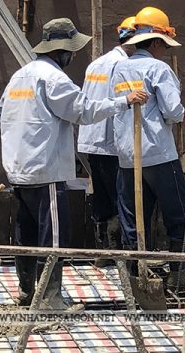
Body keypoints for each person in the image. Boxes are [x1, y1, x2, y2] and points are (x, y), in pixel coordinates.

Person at [0, 18, 148, 310]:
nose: (73, 56)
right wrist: (124, 101)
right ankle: (50, 300)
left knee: (25, 235)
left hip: (18, 170)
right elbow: (83, 111)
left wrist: (20, 141)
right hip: (46, 171)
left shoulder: (20, 76)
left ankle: (27, 293)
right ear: (61, 51)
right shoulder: (54, 79)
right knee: (53, 237)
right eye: (72, 51)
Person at [111, 6, 185, 289]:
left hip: (128, 154)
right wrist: (179, 113)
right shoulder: (159, 69)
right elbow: (173, 110)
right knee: (179, 214)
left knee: (134, 218)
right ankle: (180, 275)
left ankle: (135, 274)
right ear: (157, 42)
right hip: (159, 152)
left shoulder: (120, 68)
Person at [77, 16, 137, 265]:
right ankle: (121, 252)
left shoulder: (97, 64)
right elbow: (126, 103)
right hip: (112, 141)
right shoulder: (124, 66)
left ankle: (104, 251)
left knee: (102, 194)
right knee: (121, 197)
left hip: (92, 139)